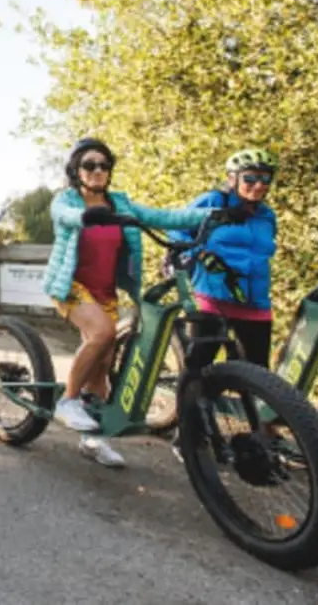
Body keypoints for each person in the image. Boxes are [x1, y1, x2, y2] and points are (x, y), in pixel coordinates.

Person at [44, 137, 214, 468]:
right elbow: (66, 216)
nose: (97, 170)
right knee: (103, 334)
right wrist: (87, 216)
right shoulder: (66, 200)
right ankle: (67, 400)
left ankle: (93, 440)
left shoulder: (120, 204)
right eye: (89, 165)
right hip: (71, 285)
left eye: (103, 165)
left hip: (105, 291)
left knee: (103, 363)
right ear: (76, 170)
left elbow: (167, 217)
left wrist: (215, 214)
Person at [167, 148, 279, 459]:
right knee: (199, 365)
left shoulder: (266, 215)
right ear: (233, 179)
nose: (258, 185)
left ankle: (256, 438)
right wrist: (193, 254)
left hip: (253, 301)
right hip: (212, 295)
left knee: (257, 373)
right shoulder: (211, 202)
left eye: (265, 179)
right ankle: (187, 434)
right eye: (250, 178)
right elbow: (176, 228)